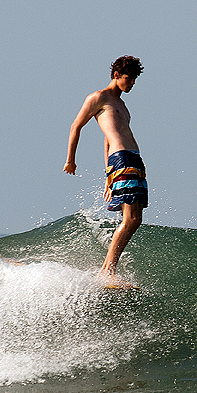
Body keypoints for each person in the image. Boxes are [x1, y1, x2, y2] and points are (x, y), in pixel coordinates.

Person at [65, 55, 146, 286]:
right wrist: (71, 159)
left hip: (133, 161)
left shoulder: (122, 106)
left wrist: (107, 176)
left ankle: (107, 269)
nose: (131, 84)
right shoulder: (98, 97)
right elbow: (76, 125)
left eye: (134, 80)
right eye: (129, 79)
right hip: (123, 160)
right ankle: (107, 270)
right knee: (130, 219)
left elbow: (106, 140)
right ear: (116, 75)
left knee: (136, 219)